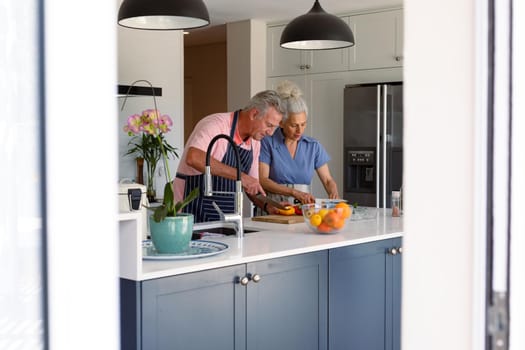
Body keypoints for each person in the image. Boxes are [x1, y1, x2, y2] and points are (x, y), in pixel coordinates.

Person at [173, 90, 286, 223]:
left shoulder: (255, 142)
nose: (271, 133)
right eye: (269, 125)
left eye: (275, 128)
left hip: (226, 220)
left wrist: (268, 205)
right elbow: (194, 157)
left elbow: (251, 186)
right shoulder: (216, 124)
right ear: (254, 114)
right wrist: (241, 176)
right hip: (191, 213)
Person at [258, 80, 340, 213]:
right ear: (282, 123)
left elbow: (328, 179)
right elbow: (263, 180)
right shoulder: (267, 143)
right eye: (294, 125)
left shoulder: (313, 146)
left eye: (303, 124)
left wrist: (334, 194)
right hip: (275, 208)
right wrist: (293, 192)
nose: (299, 130)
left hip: (302, 211)